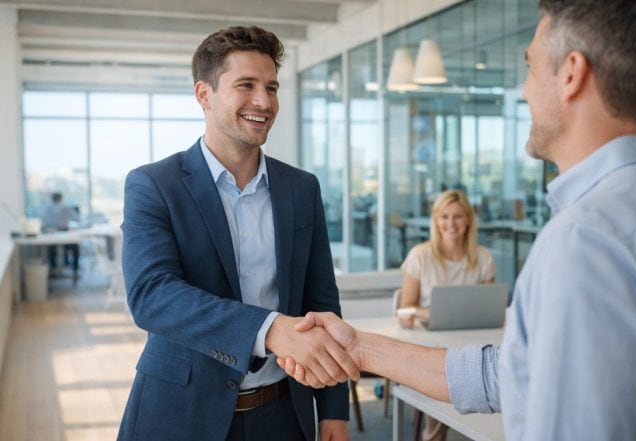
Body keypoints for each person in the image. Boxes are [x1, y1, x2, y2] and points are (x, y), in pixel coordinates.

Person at [279, 1, 636, 440]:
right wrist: (361, 347)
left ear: (572, 74)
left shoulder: (587, 239)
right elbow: (511, 373)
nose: (524, 91)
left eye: (530, 67)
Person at [117, 26, 358, 441]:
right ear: (204, 95)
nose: (263, 102)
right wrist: (269, 329)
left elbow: (322, 303)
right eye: (245, 85)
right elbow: (152, 296)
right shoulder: (154, 184)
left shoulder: (302, 189)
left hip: (284, 413)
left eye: (271, 87)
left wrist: (334, 408)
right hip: (181, 415)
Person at [397, 190, 495, 441]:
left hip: (472, 341)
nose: (450, 224)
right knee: (444, 384)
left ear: (469, 220)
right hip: (433, 344)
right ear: (436, 220)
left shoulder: (483, 258)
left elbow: (489, 307)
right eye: (444, 217)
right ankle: (434, 433)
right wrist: (429, 313)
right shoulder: (420, 255)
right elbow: (405, 308)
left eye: (458, 217)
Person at [42, 192, 80, 276]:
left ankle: (53, 267)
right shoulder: (66, 207)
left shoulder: (48, 208)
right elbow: (76, 218)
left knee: (51, 248)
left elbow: (44, 220)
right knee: (75, 247)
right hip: (64, 233)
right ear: (61, 198)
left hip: (52, 233)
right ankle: (75, 269)